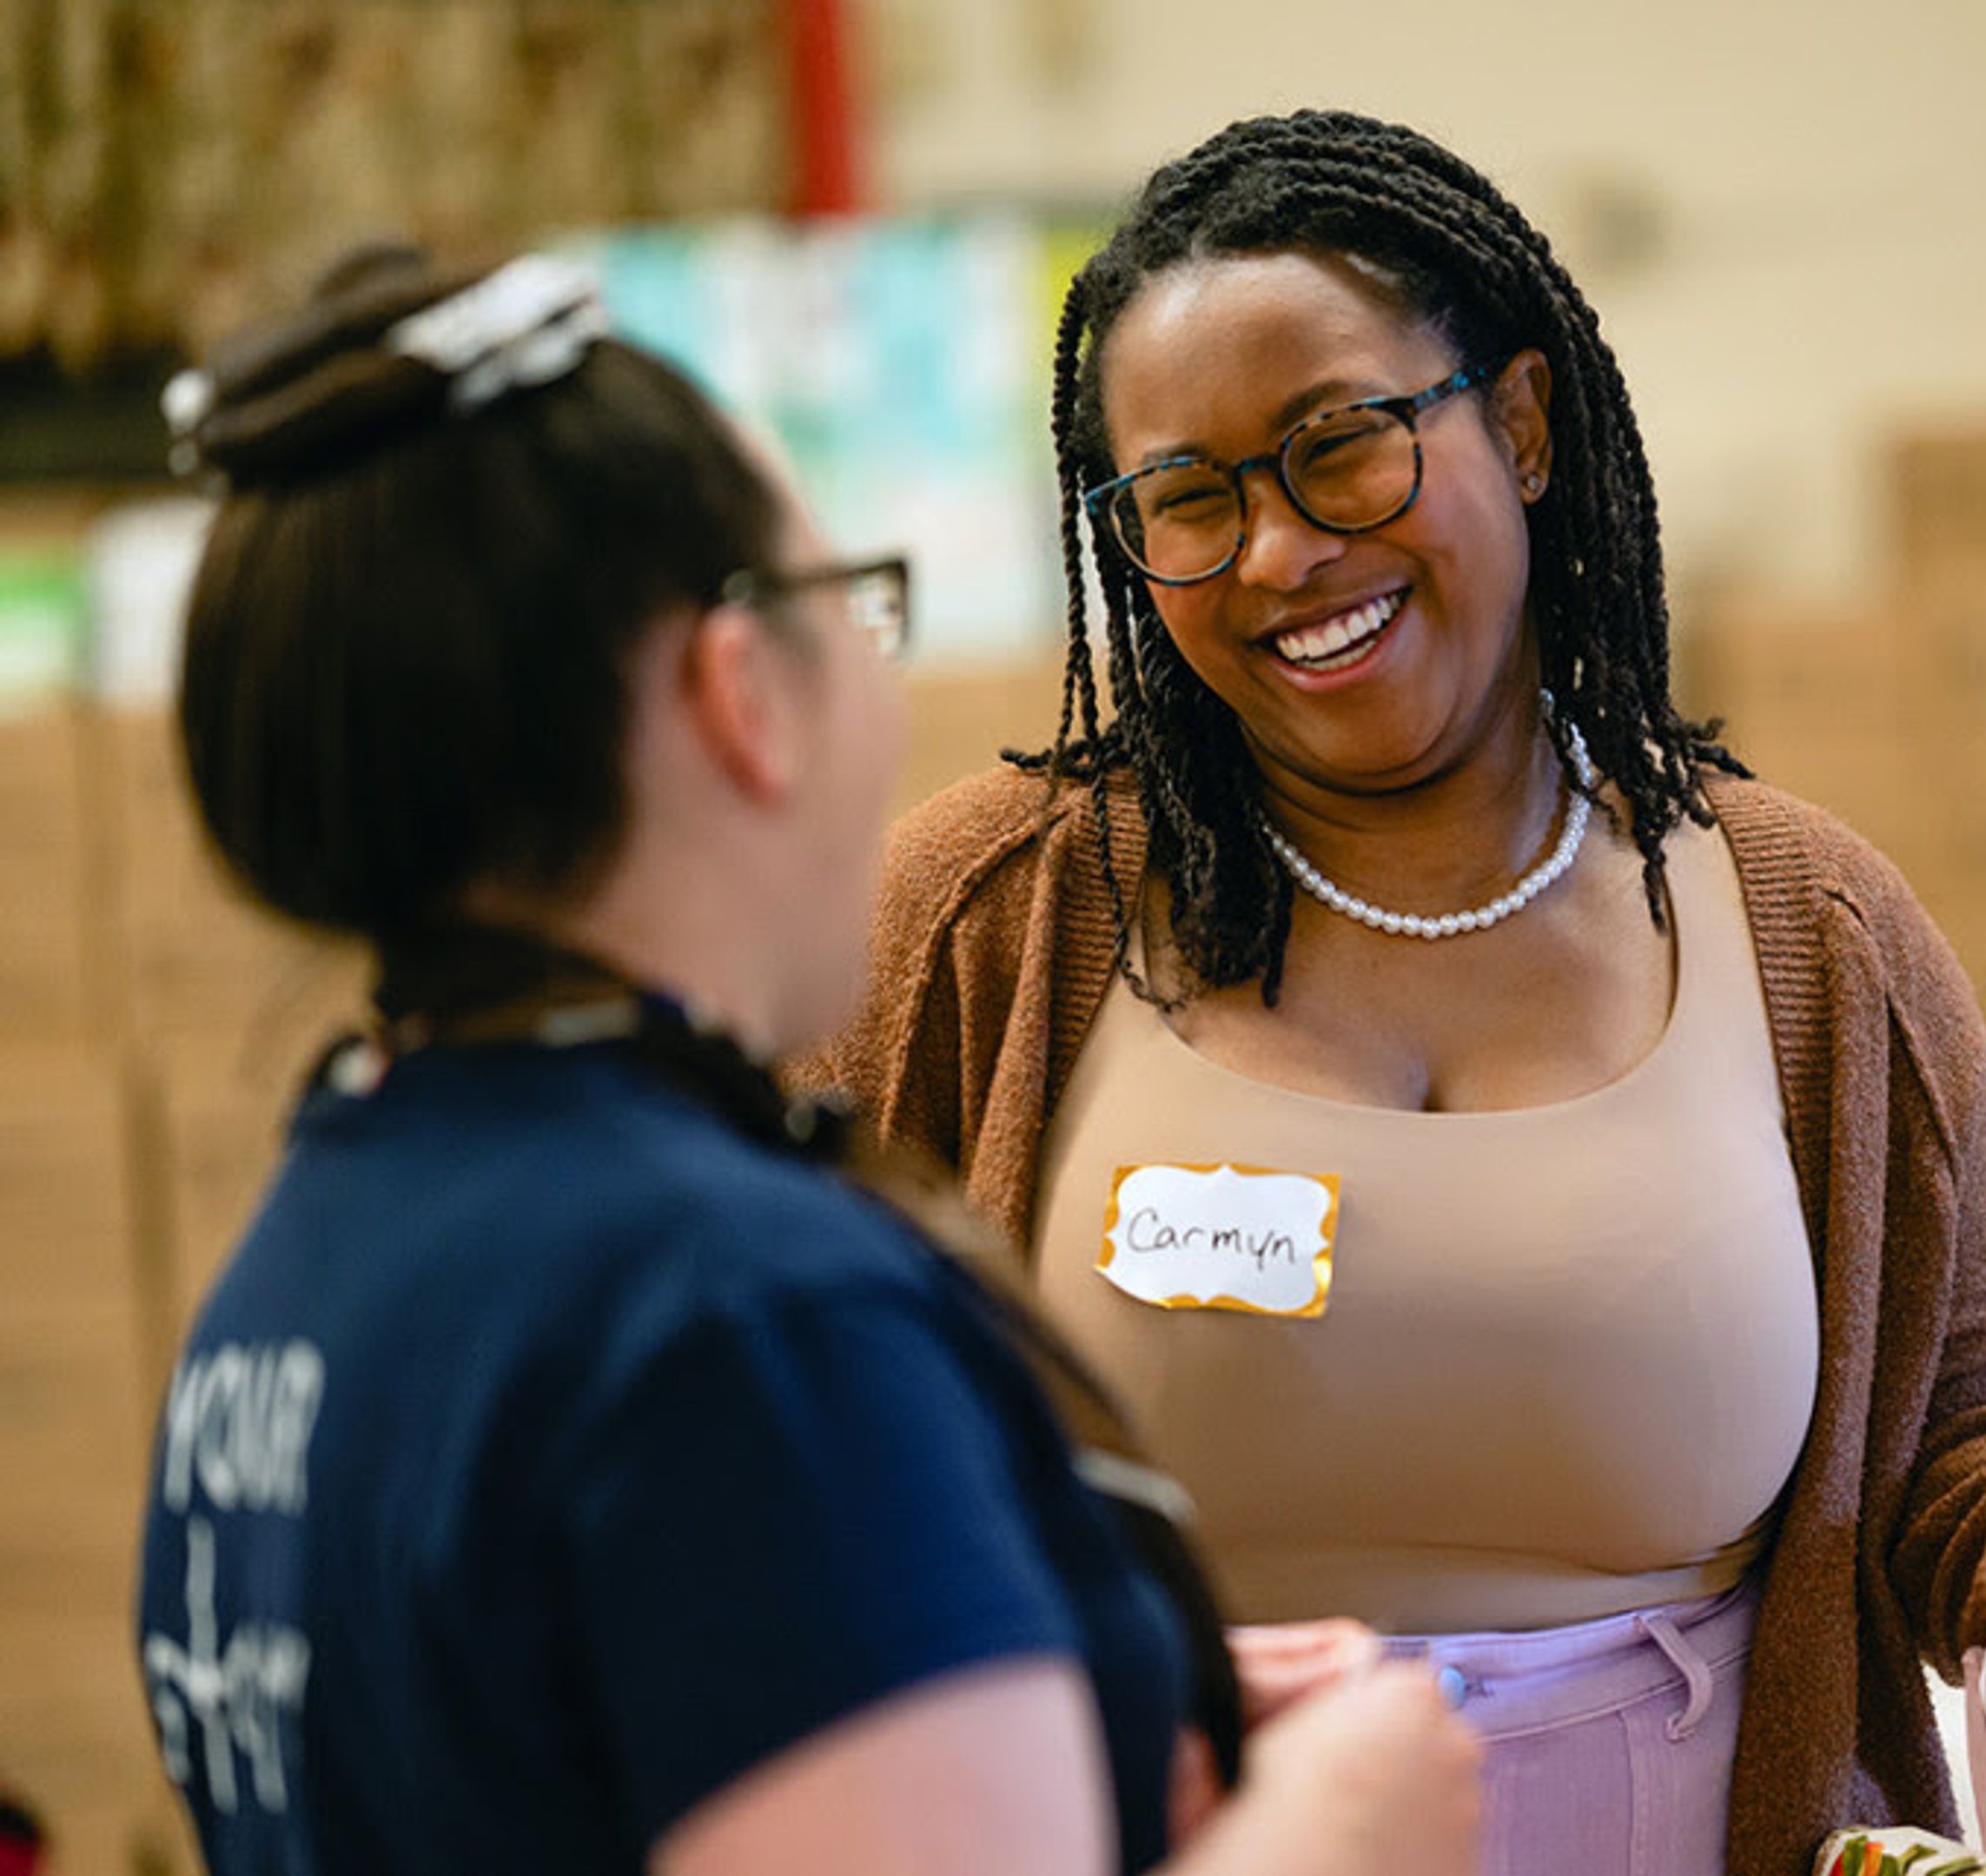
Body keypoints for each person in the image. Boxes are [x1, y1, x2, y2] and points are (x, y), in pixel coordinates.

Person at [816, 109, 1986, 1873]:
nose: (1276, 554)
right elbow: (789, 1404)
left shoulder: (1806, 927)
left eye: (1337, 448)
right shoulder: (992, 919)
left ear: (1520, 418)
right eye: (1188, 498)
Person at [133, 243, 1480, 1876]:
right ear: (739, 691)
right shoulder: (741, 1315)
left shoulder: (294, 1271)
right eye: (848, 601)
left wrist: (1058, 1681)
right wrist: (1339, 1828)